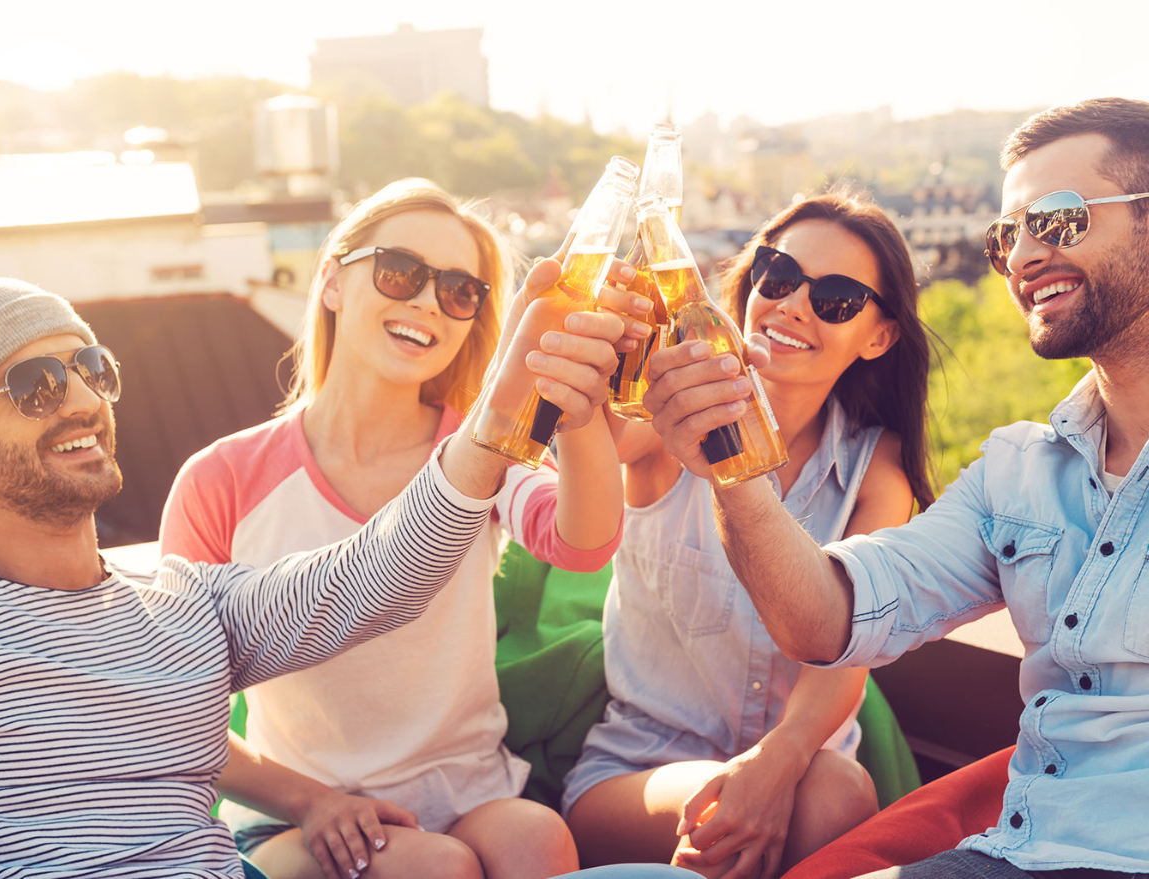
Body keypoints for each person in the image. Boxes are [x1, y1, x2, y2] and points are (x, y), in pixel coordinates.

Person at [0, 266, 630, 878]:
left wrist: (496, 418)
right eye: (33, 386)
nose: (80, 400)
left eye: (90, 368)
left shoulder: (189, 608)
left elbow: (377, 574)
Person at [645, 96, 1149, 878]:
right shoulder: (1017, 475)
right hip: (1012, 853)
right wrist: (735, 469)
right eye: (1006, 237)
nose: (1020, 257)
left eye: (1057, 220)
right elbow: (826, 618)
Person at [158, 179, 636, 879]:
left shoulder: (485, 450)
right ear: (330, 281)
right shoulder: (221, 476)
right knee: (435, 868)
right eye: (400, 272)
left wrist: (582, 410)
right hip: (296, 809)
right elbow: (172, 702)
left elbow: (585, 542)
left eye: (459, 291)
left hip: (470, 788)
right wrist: (312, 799)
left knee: (540, 842)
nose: (425, 302)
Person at [562, 192, 935, 879]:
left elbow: (848, 651)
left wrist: (775, 763)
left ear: (879, 336)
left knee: (838, 791)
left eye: (838, 299)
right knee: (721, 815)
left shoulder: (876, 466)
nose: (792, 306)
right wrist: (595, 345)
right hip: (643, 771)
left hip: (801, 769)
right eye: (780, 275)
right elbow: (595, 441)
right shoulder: (662, 407)